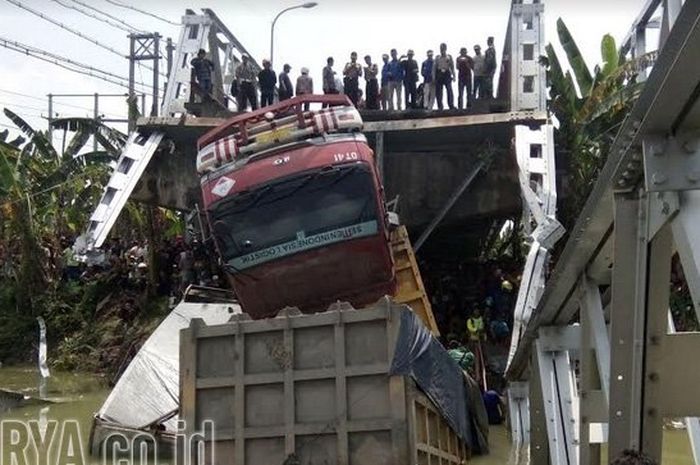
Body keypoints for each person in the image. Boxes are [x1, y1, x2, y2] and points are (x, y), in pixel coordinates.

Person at [433, 43, 455, 110]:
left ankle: (451, 105)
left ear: (445, 49)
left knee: (449, 90)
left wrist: (454, 76)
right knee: (439, 91)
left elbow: (452, 67)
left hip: (447, 73)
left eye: (443, 48)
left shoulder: (449, 57)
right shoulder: (437, 57)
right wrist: (433, 77)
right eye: (441, 48)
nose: (442, 50)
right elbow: (434, 68)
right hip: (439, 74)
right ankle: (440, 106)